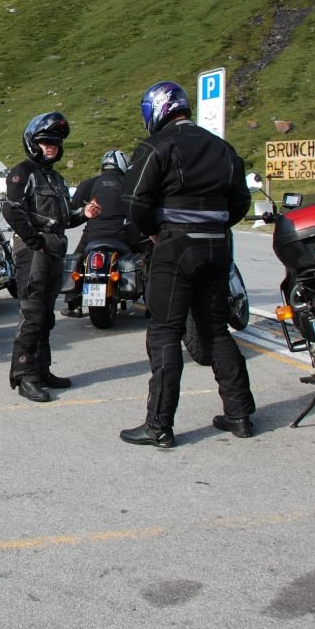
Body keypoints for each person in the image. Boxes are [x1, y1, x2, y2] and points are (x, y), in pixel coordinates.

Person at [119, 81, 255, 448]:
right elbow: (241, 201)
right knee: (216, 329)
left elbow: (134, 200)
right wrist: (215, 225)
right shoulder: (222, 147)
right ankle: (240, 415)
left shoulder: (157, 145)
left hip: (175, 246)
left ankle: (159, 425)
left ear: (156, 111)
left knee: (165, 332)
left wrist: (153, 233)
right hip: (217, 247)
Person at [0, 112, 99, 402]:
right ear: (33, 143)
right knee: (32, 315)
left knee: (46, 317)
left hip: (54, 250)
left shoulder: (56, 178)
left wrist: (84, 213)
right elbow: (11, 210)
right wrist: (36, 242)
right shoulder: (23, 172)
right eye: (46, 142)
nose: (52, 147)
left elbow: (64, 218)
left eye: (55, 142)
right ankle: (23, 375)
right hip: (33, 253)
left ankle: (42, 370)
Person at [64, 149, 141, 317]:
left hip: (92, 237)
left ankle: (73, 304)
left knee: (76, 258)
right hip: (123, 236)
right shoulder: (131, 184)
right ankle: (145, 298)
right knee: (143, 256)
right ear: (123, 165)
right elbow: (140, 209)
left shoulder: (89, 184)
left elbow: (74, 208)